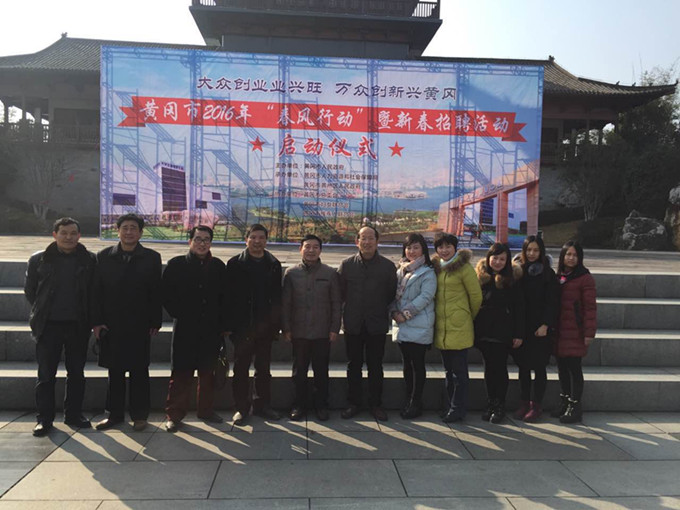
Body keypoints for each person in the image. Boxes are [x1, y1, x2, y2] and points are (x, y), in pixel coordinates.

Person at [24, 217, 96, 437]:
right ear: (55, 235)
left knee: (76, 373)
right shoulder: (39, 259)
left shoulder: (90, 260)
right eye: (63, 233)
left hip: (78, 325)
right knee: (46, 375)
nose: (68, 237)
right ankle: (44, 419)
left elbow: (94, 291)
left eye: (73, 233)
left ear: (79, 236)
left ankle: (73, 414)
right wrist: (43, 312)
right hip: (48, 326)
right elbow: (31, 291)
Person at [91, 214, 162, 431]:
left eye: (133, 228)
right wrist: (97, 322)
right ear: (118, 230)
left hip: (140, 323)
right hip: (112, 324)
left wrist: (155, 321)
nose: (129, 232)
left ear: (140, 232)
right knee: (115, 371)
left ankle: (140, 415)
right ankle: (114, 415)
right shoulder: (104, 257)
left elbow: (156, 292)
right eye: (125, 228)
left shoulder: (152, 258)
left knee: (139, 370)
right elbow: (96, 292)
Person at [161, 226, 226, 432]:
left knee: (208, 373)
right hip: (185, 328)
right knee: (181, 373)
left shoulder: (218, 266)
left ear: (211, 243)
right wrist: (180, 313)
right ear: (190, 241)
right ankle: (174, 415)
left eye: (206, 239)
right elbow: (166, 295)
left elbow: (226, 297)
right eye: (198, 239)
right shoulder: (176, 265)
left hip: (211, 329)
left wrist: (223, 324)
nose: (202, 243)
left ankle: (206, 411)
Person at [225, 223, 282, 426]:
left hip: (265, 326)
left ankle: (262, 405)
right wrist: (229, 325)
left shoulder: (273, 264)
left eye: (261, 238)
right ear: (246, 239)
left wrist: (276, 325)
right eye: (253, 237)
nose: (257, 241)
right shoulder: (235, 264)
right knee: (241, 368)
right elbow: (228, 297)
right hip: (242, 327)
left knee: (263, 369)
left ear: (266, 241)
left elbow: (277, 298)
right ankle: (241, 408)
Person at [338, 225, 397, 421]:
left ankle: (375, 404)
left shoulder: (388, 267)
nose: (367, 242)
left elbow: (390, 294)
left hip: (376, 324)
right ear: (357, 242)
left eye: (371, 238)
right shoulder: (347, 265)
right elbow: (341, 293)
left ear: (377, 241)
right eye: (363, 238)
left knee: (375, 366)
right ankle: (353, 403)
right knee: (353, 365)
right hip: (353, 323)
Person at [282, 234, 341, 422]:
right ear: (300, 249)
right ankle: (299, 405)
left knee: (321, 370)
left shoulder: (330, 273)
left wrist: (335, 328)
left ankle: (321, 405)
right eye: (307, 247)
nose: (311, 250)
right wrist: (286, 328)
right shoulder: (291, 273)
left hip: (322, 331)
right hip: (298, 331)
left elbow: (336, 303)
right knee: (299, 371)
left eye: (315, 247)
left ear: (320, 250)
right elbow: (286, 304)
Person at [432, 233, 482, 423]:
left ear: (455, 247)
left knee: (459, 373)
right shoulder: (436, 268)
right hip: (442, 327)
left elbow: (476, 297)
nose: (444, 250)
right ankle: (450, 406)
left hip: (459, 326)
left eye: (448, 246)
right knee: (448, 371)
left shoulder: (464, 268)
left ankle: (458, 408)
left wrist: (465, 315)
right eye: (440, 247)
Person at [474, 242, 524, 423]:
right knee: (488, 369)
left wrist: (518, 334)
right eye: (495, 258)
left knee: (500, 369)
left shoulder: (512, 280)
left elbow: (519, 309)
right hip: (483, 330)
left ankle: (499, 405)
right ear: (488, 258)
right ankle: (490, 402)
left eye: (502, 259)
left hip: (503, 332)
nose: (497, 262)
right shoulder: (481, 278)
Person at [512, 235, 559, 422]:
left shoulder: (548, 274)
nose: (532, 253)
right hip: (523, 327)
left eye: (536, 250)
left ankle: (536, 405)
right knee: (523, 368)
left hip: (540, 328)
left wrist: (546, 324)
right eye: (528, 250)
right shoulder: (518, 271)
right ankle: (524, 402)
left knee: (539, 368)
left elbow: (552, 302)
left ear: (541, 252)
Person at [389, 233, 436, 419]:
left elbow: (426, 297)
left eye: (416, 247)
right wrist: (394, 312)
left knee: (417, 365)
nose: (412, 251)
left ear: (423, 249)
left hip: (418, 324)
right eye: (409, 248)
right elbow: (393, 294)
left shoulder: (428, 272)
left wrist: (405, 314)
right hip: (402, 325)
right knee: (407, 365)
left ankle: (416, 402)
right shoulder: (401, 270)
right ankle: (409, 399)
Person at [553, 240, 597, 423]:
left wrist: (589, 332)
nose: (571, 258)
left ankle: (575, 405)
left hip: (576, 331)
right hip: (560, 331)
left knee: (574, 369)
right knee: (562, 368)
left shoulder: (585, 278)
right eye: (568, 254)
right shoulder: (559, 276)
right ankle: (564, 401)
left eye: (575, 255)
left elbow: (590, 308)